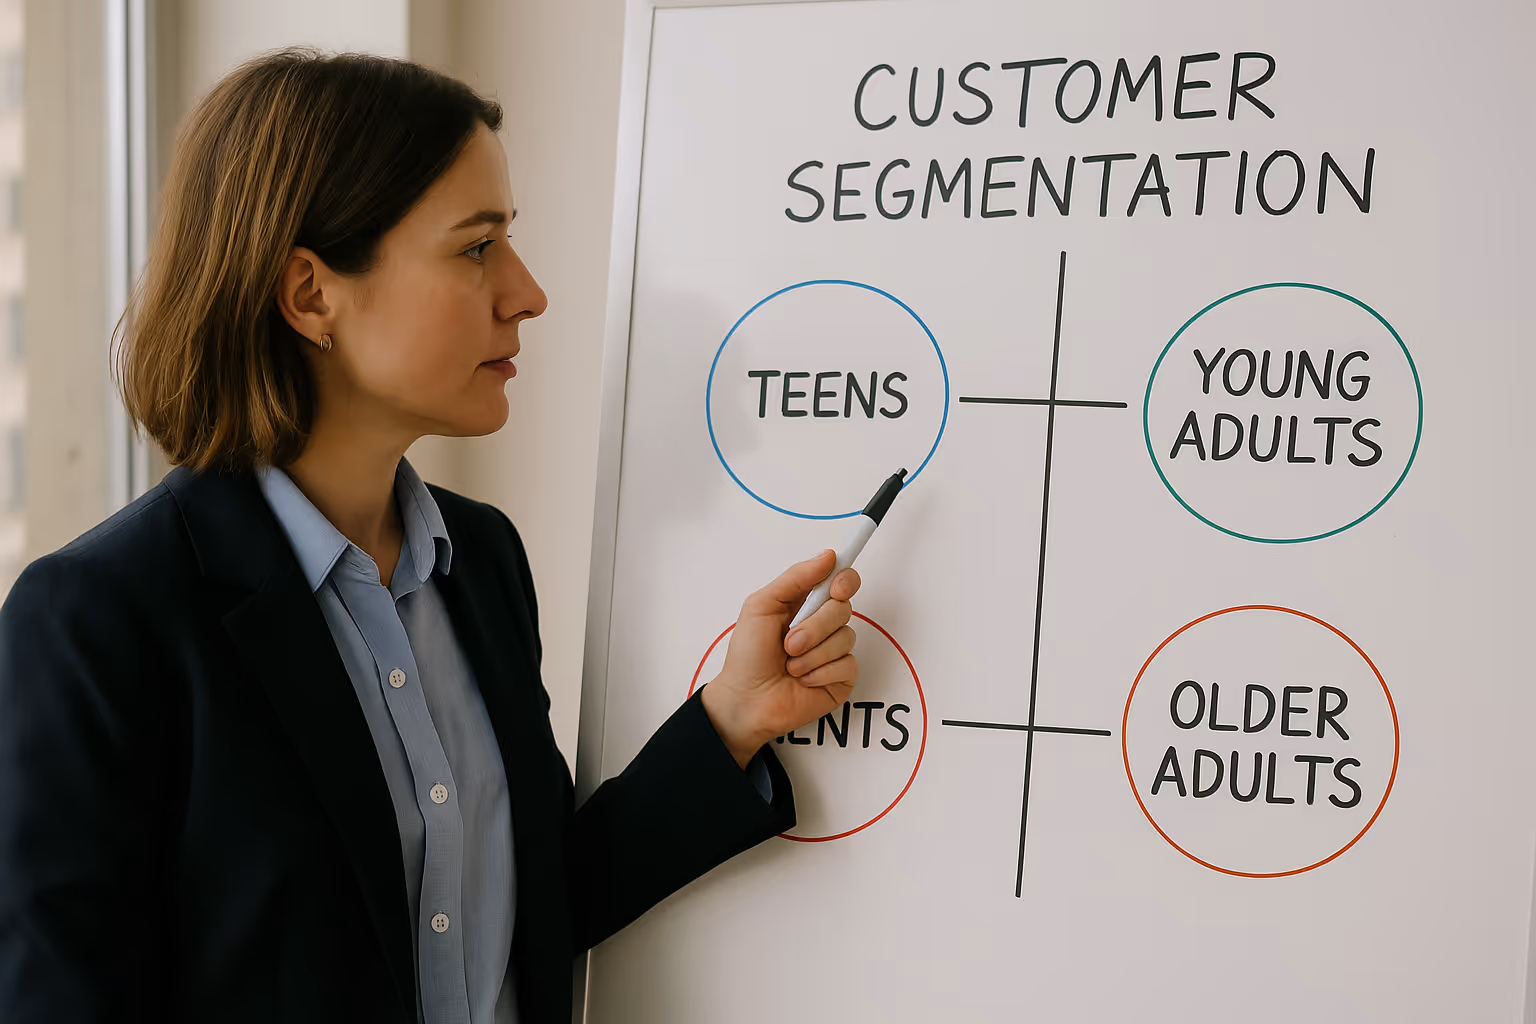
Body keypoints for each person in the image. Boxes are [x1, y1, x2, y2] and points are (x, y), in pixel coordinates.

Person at [0, 49, 861, 1023]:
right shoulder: (96, 621)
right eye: (475, 246)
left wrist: (730, 720)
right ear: (311, 294)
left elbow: (522, 906)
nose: (527, 292)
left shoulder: (481, 559)